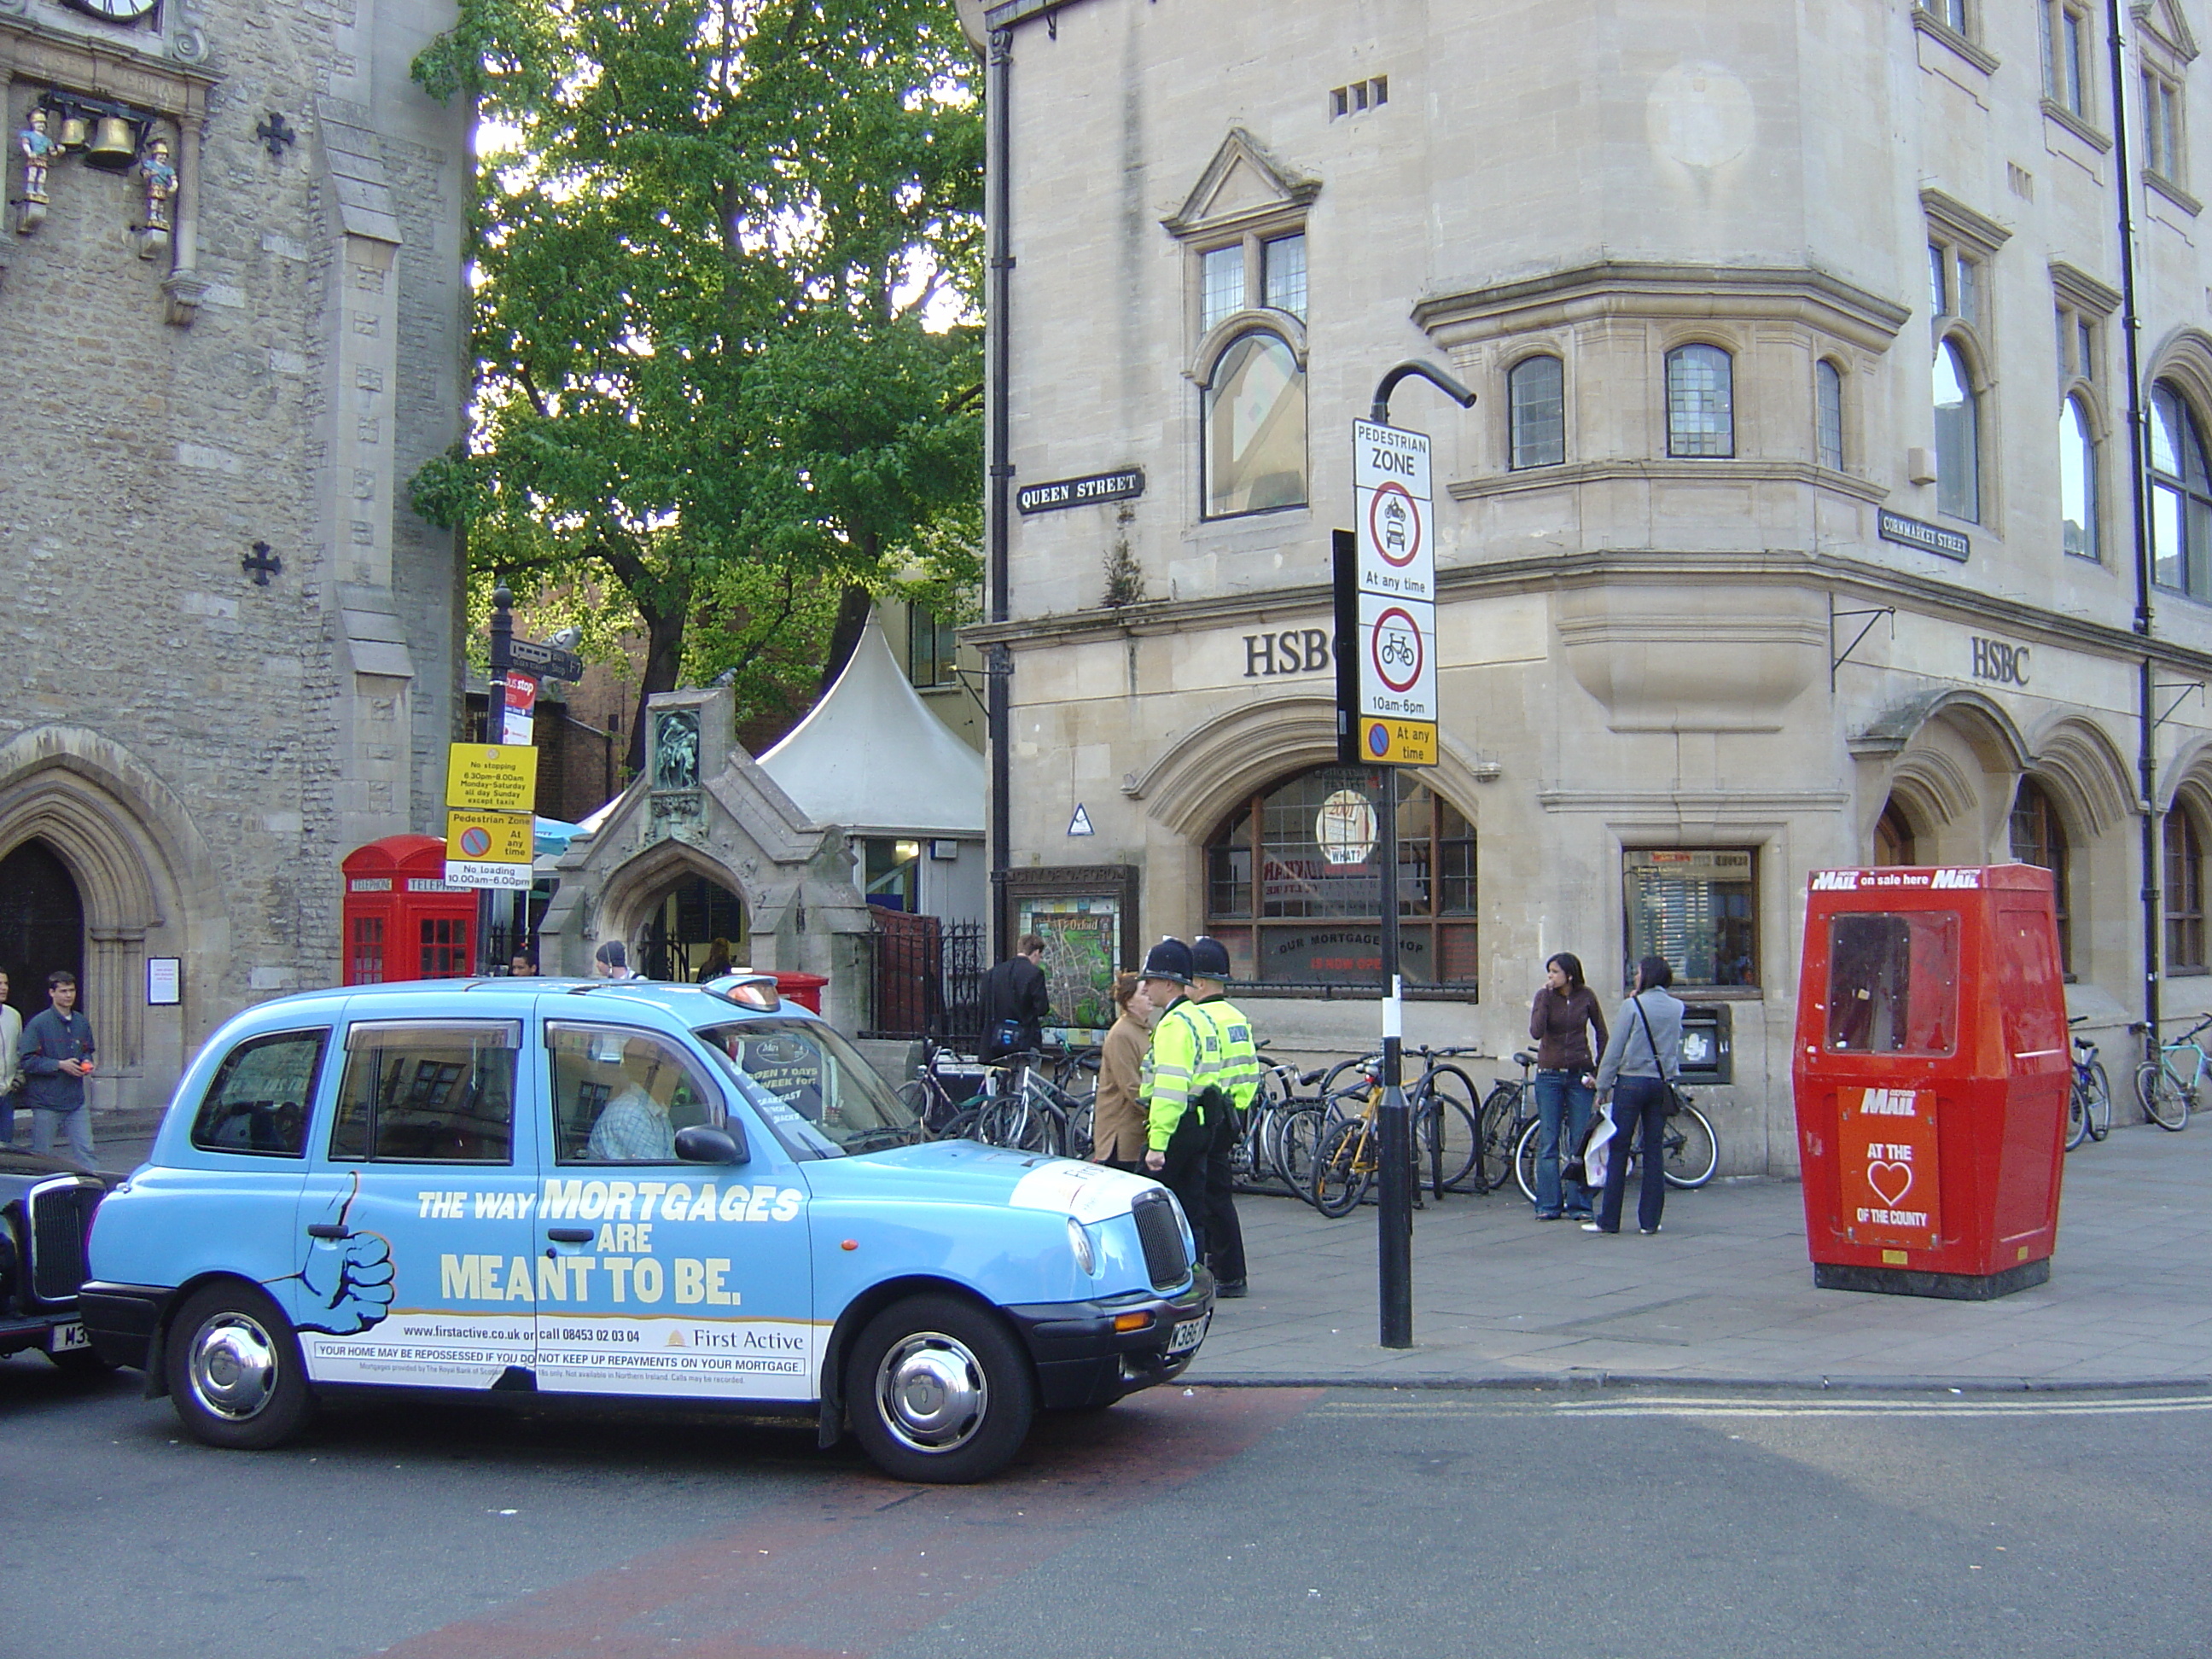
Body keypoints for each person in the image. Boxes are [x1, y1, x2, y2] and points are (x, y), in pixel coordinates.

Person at [1134, 937, 1223, 1278]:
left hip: (1177, 1129)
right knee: (1191, 1210)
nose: (1146, 987)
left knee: (1151, 1209)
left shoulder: (1173, 1025)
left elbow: (1170, 1089)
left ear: (1169, 983)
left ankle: (1162, 1278)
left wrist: (1157, 1145)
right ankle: (1196, 1276)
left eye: (1151, 980)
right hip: (1203, 1124)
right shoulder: (1200, 1019)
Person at [1586, 956, 1685, 1237]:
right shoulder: (1677, 1007)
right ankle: (1650, 1221)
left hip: (1630, 1082)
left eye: (1639, 973)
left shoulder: (1633, 1005)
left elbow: (1615, 1050)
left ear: (1647, 976)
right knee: (1654, 1151)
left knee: (1619, 1150)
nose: (1635, 976)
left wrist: (1602, 1086)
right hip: (1660, 1083)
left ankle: (1609, 1219)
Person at [1184, 935, 1260, 1297]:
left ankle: (1227, 1273)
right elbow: (1249, 1071)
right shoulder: (1237, 1018)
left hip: (1206, 1117)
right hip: (1234, 1115)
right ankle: (1229, 1270)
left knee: (1207, 1198)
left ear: (1199, 983)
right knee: (1219, 1194)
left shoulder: (1199, 1018)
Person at [1528, 952, 1608, 1221]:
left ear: (1569, 975)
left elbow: (1602, 1032)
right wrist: (1542, 999)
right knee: (1549, 1140)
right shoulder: (1545, 997)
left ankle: (1579, 1204)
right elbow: (1536, 1031)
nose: (1550, 976)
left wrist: (1598, 1070)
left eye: (1554, 972)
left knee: (1580, 1139)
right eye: (1548, 972)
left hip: (1579, 1074)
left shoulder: (1586, 997)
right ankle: (1549, 1204)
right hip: (1549, 1074)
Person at [20, 969, 96, 1166]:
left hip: (75, 1099)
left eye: (71, 990)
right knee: (42, 1156)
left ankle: (95, 1189)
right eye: (63, 991)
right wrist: (59, 1065)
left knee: (87, 1151)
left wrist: (86, 1063)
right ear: (52, 993)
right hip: (46, 1102)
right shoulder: (38, 1024)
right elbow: (27, 1061)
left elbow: (87, 1049)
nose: (69, 995)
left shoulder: (81, 1022)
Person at [1090, 971, 1154, 1172]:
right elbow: (1131, 1086)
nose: (1150, 996)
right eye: (1144, 993)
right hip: (1122, 1135)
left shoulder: (1145, 1029)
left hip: (1139, 1132)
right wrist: (1158, 1113)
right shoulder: (1121, 1034)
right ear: (1129, 1002)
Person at [979, 933, 1051, 1062]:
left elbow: (983, 1009)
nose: (1039, 959)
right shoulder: (1035, 973)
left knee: (1001, 1080)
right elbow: (1042, 1008)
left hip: (995, 1044)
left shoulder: (992, 973)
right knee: (1025, 1079)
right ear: (1035, 952)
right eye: (1040, 956)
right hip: (1024, 1042)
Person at [586, 1068, 676, 1161]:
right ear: (654, 1072)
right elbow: (654, 1173)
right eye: (673, 1064)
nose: (677, 1072)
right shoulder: (632, 1113)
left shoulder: (656, 1110)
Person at [0, 972, 20, 1147]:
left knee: (6, 1147)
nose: (4, 988)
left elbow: (20, 1050)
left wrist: (18, 1080)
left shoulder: (13, 1016)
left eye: (6, 983)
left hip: (6, 1094)